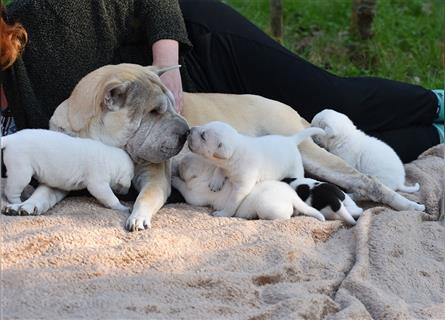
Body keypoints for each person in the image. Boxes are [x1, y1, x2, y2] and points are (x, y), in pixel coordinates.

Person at [0, 0, 443, 163]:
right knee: (315, 154)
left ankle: (437, 103)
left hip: (196, 47)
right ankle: (435, 137)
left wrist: (169, 73)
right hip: (184, 121)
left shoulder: (43, 16)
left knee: (335, 104)